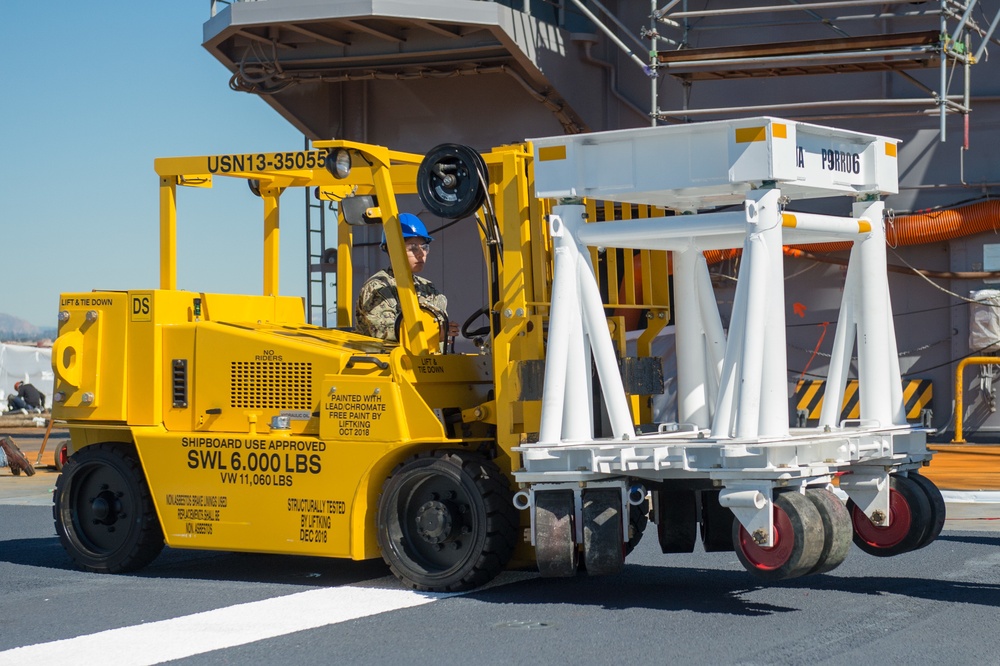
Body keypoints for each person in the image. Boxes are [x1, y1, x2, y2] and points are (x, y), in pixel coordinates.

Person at [355, 213, 459, 346]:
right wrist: (435, 332)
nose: (421, 254)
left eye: (424, 247)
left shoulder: (427, 287)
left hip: (427, 363)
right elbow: (384, 332)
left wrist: (445, 331)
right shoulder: (379, 287)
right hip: (389, 363)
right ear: (393, 250)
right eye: (413, 248)